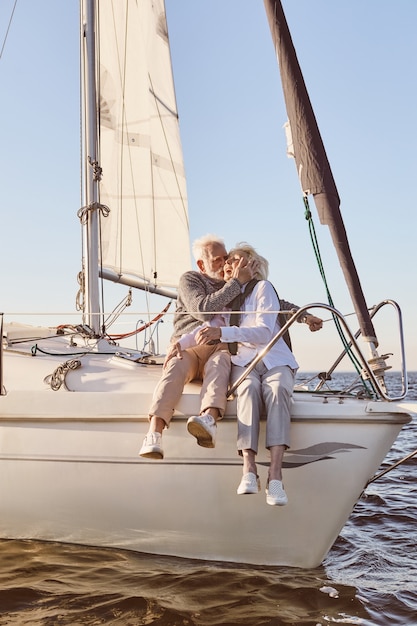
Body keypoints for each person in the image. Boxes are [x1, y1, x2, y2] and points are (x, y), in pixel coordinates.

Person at [139, 234, 322, 461]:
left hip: (219, 347)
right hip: (190, 347)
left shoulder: (235, 286)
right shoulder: (193, 279)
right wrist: (236, 282)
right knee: (175, 368)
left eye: (227, 258)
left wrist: (305, 316)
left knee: (221, 364)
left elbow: (276, 303)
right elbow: (203, 310)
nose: (225, 263)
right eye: (218, 259)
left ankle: (209, 420)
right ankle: (153, 434)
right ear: (201, 264)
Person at [194, 243, 315, 507]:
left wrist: (223, 334)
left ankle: (275, 476)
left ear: (253, 266)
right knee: (247, 391)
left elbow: (262, 332)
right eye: (227, 261)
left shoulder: (264, 289)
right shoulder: (226, 296)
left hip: (274, 360)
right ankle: (249, 469)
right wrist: (179, 346)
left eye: (236, 260)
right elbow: (206, 323)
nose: (229, 264)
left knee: (278, 389)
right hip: (244, 362)